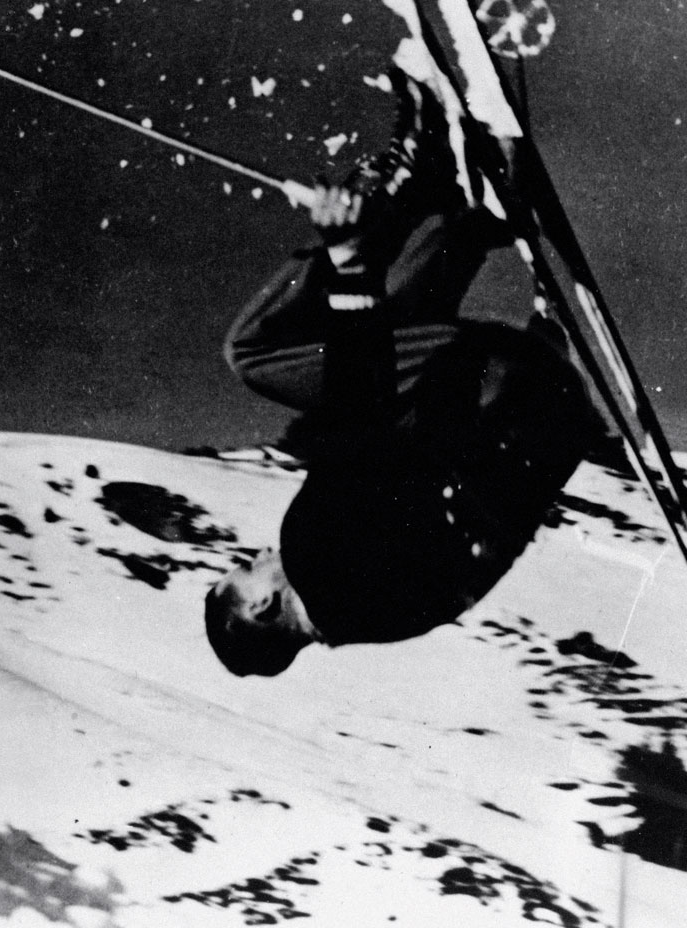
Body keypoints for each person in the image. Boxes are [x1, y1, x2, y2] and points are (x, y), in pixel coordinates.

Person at [204, 76, 602, 677]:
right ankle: (421, 185)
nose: (256, 553)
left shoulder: (376, 621)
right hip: (501, 387)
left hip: (544, 409)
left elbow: (464, 508)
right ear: (262, 607)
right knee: (252, 351)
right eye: (245, 567)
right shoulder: (313, 559)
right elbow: (359, 417)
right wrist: (349, 266)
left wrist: (548, 350)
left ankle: (467, 214)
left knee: (393, 403)